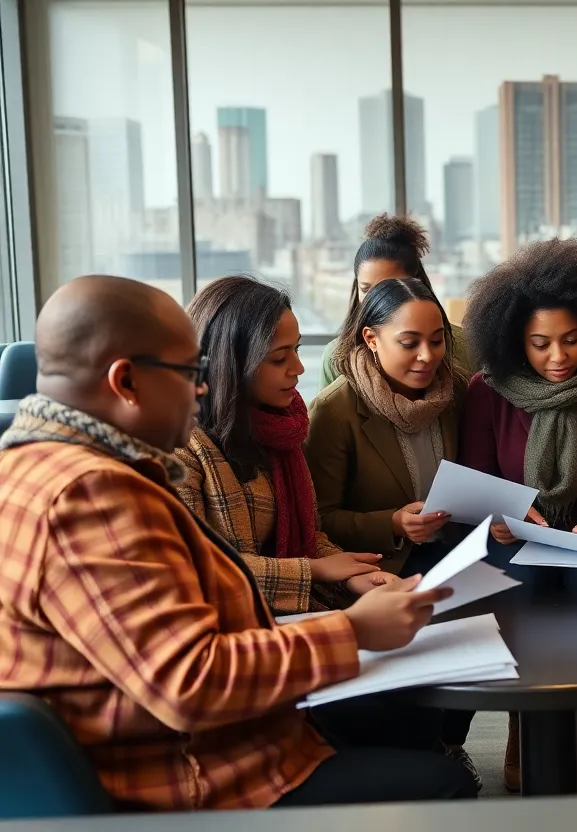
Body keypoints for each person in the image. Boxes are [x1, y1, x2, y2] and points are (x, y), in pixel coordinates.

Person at [0, 275, 475, 811]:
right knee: (442, 786)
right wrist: (354, 629)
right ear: (126, 382)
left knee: (395, 718)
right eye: (188, 373)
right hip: (192, 776)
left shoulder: (27, 465)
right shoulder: (93, 494)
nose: (200, 389)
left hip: (186, 743)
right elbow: (191, 682)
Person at [456, 238, 577, 794]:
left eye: (571, 340)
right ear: (515, 339)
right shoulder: (486, 392)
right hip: (515, 539)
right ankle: (526, 723)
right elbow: (477, 478)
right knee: (527, 590)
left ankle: (575, 725)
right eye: (539, 344)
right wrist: (503, 514)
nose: (557, 357)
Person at [306, 277, 474, 787]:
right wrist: (393, 523)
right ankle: (427, 755)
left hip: (456, 548)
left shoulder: (460, 391)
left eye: (438, 339)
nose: (428, 356)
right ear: (370, 339)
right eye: (410, 343)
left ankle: (449, 743)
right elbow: (319, 519)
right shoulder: (336, 411)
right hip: (386, 564)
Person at [177, 275, 389, 616]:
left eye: (297, 350)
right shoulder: (180, 448)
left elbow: (307, 534)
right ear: (228, 364)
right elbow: (197, 567)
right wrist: (316, 571)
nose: (298, 368)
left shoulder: (281, 428)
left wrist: (353, 573)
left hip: (291, 613)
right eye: (278, 359)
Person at [318, 214, 468, 389]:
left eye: (391, 288)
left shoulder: (462, 346)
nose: (376, 299)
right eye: (366, 289)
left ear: (415, 284)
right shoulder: (336, 358)